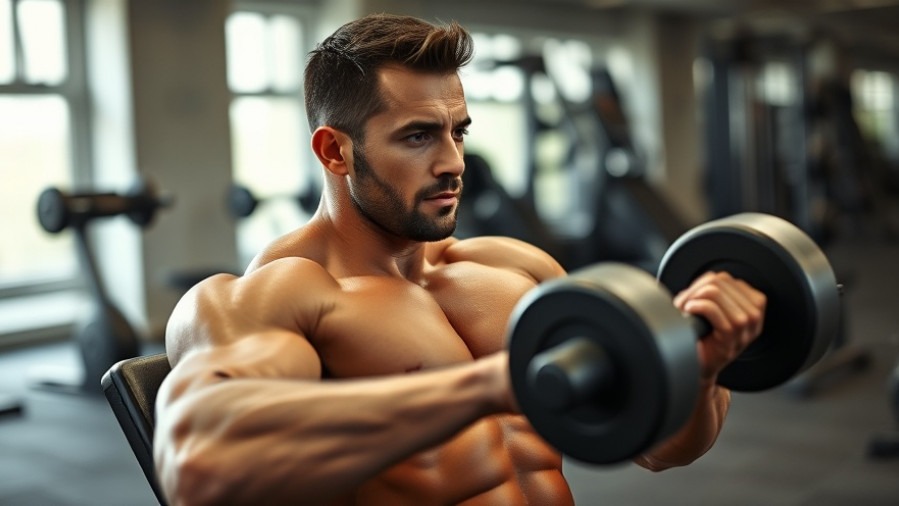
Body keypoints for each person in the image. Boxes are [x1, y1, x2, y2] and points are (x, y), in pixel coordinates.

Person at [154, 13, 766, 506]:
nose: (453, 162)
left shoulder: (512, 266)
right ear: (335, 151)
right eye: (418, 135)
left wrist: (700, 374)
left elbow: (660, 449)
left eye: (459, 132)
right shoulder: (280, 296)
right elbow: (198, 468)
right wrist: (489, 385)